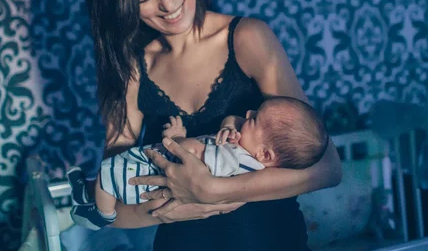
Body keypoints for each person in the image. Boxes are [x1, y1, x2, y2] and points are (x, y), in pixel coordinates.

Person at [82, 0, 342, 250]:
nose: (168, 3)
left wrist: (214, 191)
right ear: (122, 5)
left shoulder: (248, 38)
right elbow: (115, 206)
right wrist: (169, 211)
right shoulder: (130, 70)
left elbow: (328, 169)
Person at [70, 96, 329, 230]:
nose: (247, 114)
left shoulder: (235, 158)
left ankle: (100, 211)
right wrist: (229, 125)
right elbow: (231, 122)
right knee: (111, 174)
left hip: (153, 173)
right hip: (154, 191)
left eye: (253, 120)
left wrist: (177, 139)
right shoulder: (245, 153)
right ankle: (89, 193)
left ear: (265, 156)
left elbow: (195, 157)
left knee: (109, 172)